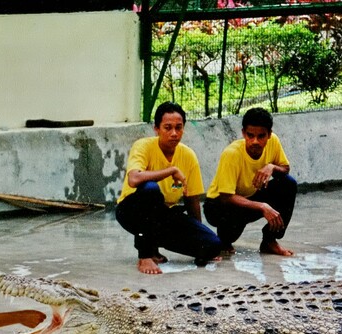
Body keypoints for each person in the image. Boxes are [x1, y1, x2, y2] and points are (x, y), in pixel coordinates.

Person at [115, 101, 222, 275]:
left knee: (213, 245)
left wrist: (200, 235)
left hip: (162, 216)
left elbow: (192, 199)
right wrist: (171, 170)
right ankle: (145, 254)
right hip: (132, 212)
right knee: (150, 190)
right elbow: (134, 179)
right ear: (156, 129)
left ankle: (154, 245)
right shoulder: (143, 146)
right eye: (167, 127)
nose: (174, 133)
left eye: (178, 128)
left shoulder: (188, 155)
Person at [204, 107, 297, 256]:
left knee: (288, 184)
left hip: (249, 197)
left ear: (269, 135)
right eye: (250, 135)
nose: (255, 141)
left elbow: (285, 168)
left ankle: (269, 241)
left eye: (261, 136)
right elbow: (226, 197)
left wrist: (271, 167)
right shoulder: (232, 154)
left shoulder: (274, 141)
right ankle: (224, 240)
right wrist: (262, 206)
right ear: (243, 133)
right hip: (218, 205)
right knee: (228, 230)